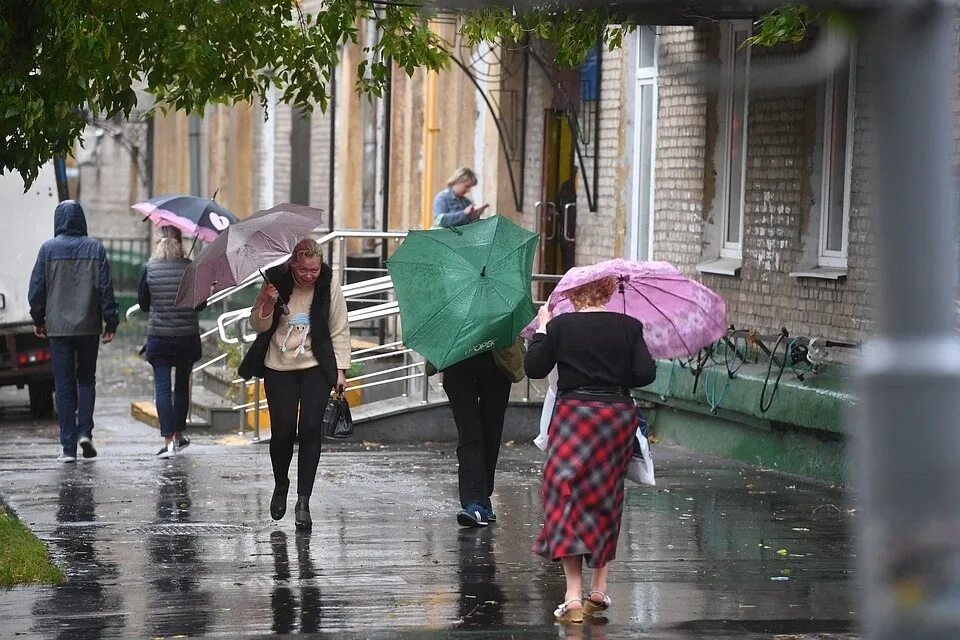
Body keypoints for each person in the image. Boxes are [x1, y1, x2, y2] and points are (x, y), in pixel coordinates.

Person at [523, 276, 656, 623]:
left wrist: (543, 327)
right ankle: (598, 589)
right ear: (608, 292)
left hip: (575, 416)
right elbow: (645, 374)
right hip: (616, 418)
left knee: (564, 495)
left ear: (573, 295)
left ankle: (572, 596)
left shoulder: (562, 326)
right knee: (606, 495)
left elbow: (534, 367)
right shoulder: (629, 325)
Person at [240, 238, 350, 530]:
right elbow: (258, 325)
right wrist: (267, 301)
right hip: (279, 367)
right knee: (283, 432)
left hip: (316, 366)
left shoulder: (328, 283)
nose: (309, 275)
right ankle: (281, 484)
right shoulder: (274, 280)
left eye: (314, 270)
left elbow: (339, 327)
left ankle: (304, 501)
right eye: (304, 270)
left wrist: (340, 370)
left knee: (311, 429)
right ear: (293, 264)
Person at [28, 200, 118, 463]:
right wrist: (110, 323)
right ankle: (84, 433)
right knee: (87, 380)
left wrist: (38, 319)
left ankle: (68, 448)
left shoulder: (48, 250)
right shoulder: (95, 248)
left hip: (58, 329)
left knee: (64, 385)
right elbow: (105, 289)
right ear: (82, 220)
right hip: (89, 326)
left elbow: (36, 290)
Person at [137, 226, 203, 459]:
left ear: (159, 244)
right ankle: (179, 433)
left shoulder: (149, 269)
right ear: (180, 243)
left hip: (160, 338)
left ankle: (168, 441)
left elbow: (144, 304)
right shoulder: (190, 269)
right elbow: (200, 305)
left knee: (162, 388)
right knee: (182, 386)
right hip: (186, 338)